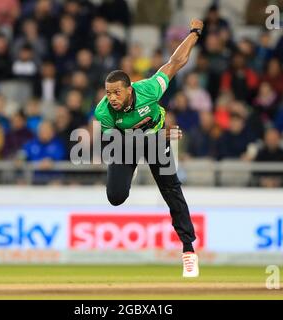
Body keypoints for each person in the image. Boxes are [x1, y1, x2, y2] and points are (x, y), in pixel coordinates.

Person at [94, 19, 204, 278]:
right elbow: (113, 144)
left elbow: (176, 62)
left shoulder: (149, 90)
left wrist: (194, 33)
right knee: (116, 197)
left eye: (116, 93)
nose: (112, 98)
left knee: (171, 190)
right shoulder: (104, 111)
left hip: (155, 139)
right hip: (126, 144)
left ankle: (188, 251)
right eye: (108, 93)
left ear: (129, 89)